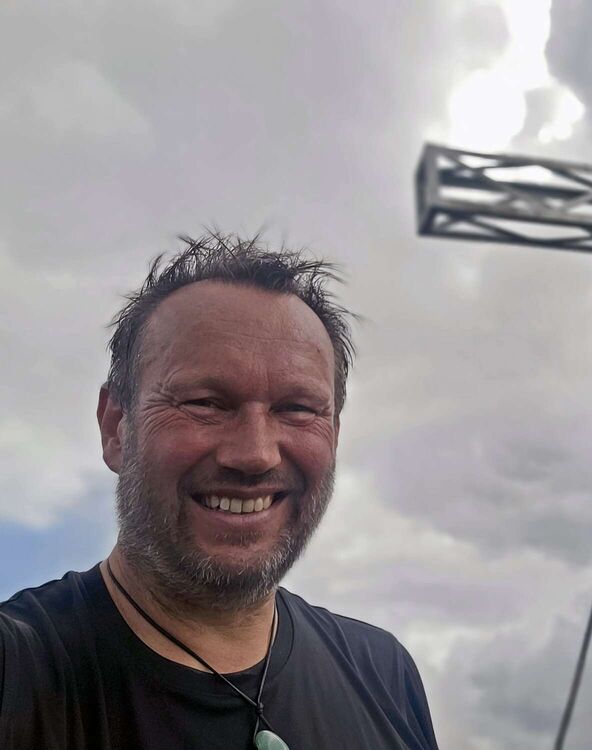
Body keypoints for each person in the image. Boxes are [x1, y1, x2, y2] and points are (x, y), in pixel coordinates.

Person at [0, 233, 439, 749]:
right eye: (205, 403)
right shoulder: (18, 673)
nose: (255, 454)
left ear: (335, 435)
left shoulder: (385, 674)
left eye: (297, 409)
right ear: (116, 427)